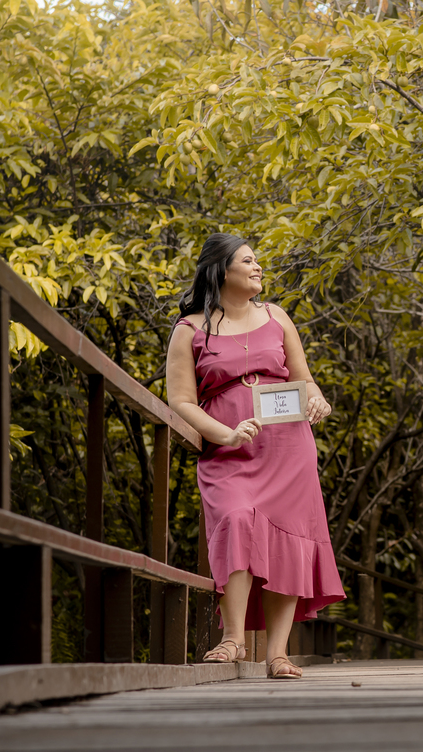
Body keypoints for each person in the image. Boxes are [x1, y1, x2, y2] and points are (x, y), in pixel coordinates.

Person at [166, 233, 345, 679]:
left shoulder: (277, 317)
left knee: (288, 537)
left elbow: (304, 380)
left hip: (288, 447)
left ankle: (278, 653)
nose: (258, 267)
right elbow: (181, 402)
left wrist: (317, 399)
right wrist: (226, 435)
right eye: (248, 261)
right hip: (229, 450)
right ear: (220, 270)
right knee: (235, 518)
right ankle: (232, 639)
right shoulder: (190, 330)